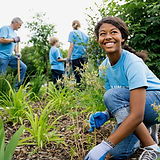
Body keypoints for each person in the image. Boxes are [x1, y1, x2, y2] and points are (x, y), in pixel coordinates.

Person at [85, 16, 160, 160]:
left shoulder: (132, 62)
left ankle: (151, 147)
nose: (108, 37)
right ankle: (146, 129)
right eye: (102, 34)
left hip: (155, 103)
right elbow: (122, 104)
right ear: (98, 40)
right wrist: (107, 114)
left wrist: (105, 145)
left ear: (123, 38)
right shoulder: (104, 68)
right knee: (118, 152)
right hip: (137, 106)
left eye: (113, 32)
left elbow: (135, 112)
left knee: (111, 96)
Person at [0, 17, 27, 91]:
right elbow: (1, 39)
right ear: (15, 22)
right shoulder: (5, 28)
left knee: (23, 67)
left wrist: (17, 53)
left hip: (10, 56)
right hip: (2, 56)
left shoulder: (14, 33)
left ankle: (16, 88)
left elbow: (14, 45)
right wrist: (13, 39)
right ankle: (1, 93)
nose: (20, 27)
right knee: (2, 76)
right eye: (19, 25)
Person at [67, 20, 89, 87]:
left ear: (72, 25)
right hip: (84, 57)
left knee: (77, 77)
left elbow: (71, 46)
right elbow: (87, 48)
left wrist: (68, 57)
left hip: (76, 57)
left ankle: (80, 93)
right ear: (79, 25)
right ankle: (84, 92)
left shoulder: (72, 33)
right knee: (83, 76)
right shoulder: (85, 35)